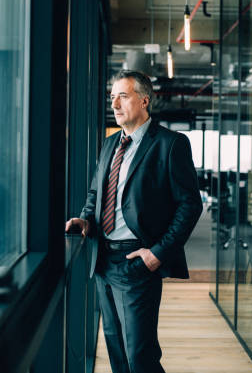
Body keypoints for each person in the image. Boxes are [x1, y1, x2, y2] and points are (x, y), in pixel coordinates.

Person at [65, 70, 202, 373]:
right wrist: (87, 219)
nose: (114, 103)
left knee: (140, 356)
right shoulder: (109, 145)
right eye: (112, 97)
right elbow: (95, 192)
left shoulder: (170, 144)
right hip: (103, 260)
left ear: (144, 100)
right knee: (117, 353)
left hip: (136, 260)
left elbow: (190, 204)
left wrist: (157, 254)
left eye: (122, 96)